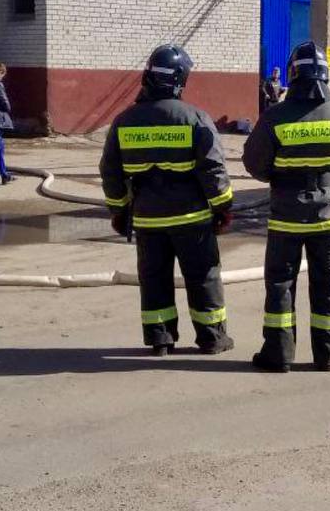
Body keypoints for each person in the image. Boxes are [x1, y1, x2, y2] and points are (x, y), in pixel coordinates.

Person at [99, 44, 234, 357]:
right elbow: (212, 169)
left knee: (154, 279)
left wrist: (119, 211)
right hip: (192, 220)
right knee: (203, 277)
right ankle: (212, 338)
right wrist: (223, 207)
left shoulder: (124, 121)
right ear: (179, 80)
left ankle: (160, 339)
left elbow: (111, 171)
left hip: (147, 220)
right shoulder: (194, 118)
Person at [242, 41, 330, 373]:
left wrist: (281, 176)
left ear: (293, 74)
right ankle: (328, 356)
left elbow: (254, 164)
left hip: (286, 216)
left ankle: (278, 355)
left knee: (281, 284)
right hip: (328, 217)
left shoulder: (275, 116)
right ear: (325, 76)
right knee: (329, 283)